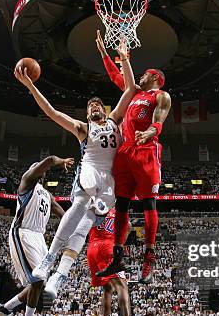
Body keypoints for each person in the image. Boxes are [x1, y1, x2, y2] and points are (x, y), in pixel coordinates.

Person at [14, 39, 136, 293]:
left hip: (110, 180)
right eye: (88, 106)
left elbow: (131, 89)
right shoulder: (82, 127)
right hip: (89, 169)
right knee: (80, 206)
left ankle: (61, 273)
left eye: (95, 105)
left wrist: (123, 58)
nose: (92, 108)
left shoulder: (114, 120)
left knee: (86, 224)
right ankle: (49, 259)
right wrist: (30, 87)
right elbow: (52, 112)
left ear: (103, 109)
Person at [95, 30, 172, 284]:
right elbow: (116, 75)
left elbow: (159, 118)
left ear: (155, 77)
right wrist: (105, 54)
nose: (141, 76)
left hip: (146, 150)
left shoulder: (160, 95)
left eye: (145, 74)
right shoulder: (135, 93)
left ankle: (149, 255)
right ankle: (118, 254)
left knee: (149, 203)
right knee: (122, 203)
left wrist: (151, 131)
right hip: (125, 151)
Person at [0, 156, 70, 316]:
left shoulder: (47, 195)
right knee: (37, 280)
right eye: (36, 166)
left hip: (39, 238)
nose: (38, 169)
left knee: (39, 283)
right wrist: (57, 162)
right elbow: (50, 159)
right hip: (23, 233)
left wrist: (79, 225)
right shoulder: (26, 183)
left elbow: (65, 215)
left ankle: (4, 309)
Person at [84, 208, 146, 316]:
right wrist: (120, 245)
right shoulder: (116, 210)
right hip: (108, 247)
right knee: (121, 285)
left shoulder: (93, 207)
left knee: (108, 289)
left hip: (92, 248)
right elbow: (128, 226)